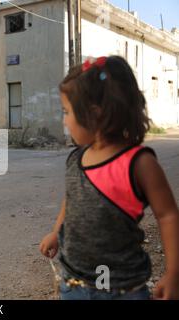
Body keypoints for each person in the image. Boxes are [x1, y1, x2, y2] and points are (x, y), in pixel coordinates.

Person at [39, 56, 179, 300]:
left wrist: (174, 273)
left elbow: (168, 216)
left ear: (94, 114)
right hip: (74, 285)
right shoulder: (76, 159)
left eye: (67, 112)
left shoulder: (139, 163)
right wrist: (56, 231)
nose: (64, 120)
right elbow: (72, 200)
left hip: (123, 291)